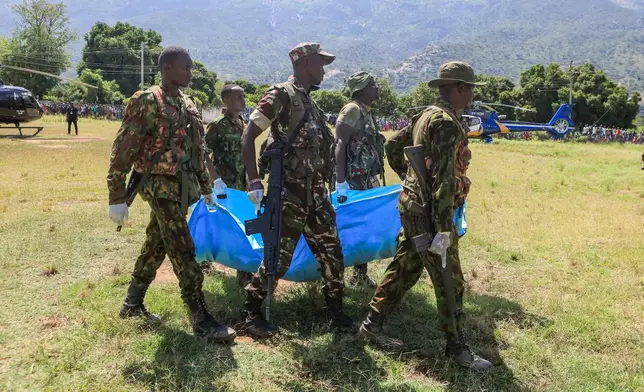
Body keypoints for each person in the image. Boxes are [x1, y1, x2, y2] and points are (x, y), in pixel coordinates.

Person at [357, 61, 493, 370]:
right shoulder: (445, 123)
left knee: (407, 266)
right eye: (470, 89)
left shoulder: (425, 115)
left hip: (413, 206)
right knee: (450, 279)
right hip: (431, 213)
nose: (471, 95)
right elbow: (444, 182)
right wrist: (443, 231)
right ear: (458, 88)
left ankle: (370, 325)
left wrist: (411, 180)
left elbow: (393, 146)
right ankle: (457, 349)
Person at [107, 46, 236, 343]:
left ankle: (132, 303)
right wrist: (116, 195)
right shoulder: (147, 101)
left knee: (157, 242)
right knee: (182, 248)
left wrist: (207, 187)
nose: (190, 72)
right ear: (167, 68)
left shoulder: (187, 103)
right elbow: (123, 148)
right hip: (159, 186)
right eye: (185, 67)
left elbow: (197, 150)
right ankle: (201, 317)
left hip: (182, 187)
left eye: (190, 68)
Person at [239, 42, 352, 337]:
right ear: (304, 64)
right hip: (288, 193)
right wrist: (253, 181)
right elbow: (248, 134)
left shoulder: (311, 103)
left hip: (316, 194)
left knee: (333, 252)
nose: (324, 71)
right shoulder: (280, 96)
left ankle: (335, 311)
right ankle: (251, 313)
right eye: (320, 64)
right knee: (278, 259)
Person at [334, 71, 385, 288]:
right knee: (349, 226)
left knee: (364, 226)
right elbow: (339, 144)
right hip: (352, 181)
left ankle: (359, 274)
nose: (377, 88)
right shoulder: (352, 109)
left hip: (365, 179)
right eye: (372, 84)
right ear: (362, 89)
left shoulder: (366, 112)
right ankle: (336, 276)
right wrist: (340, 181)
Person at [204, 84, 253, 287]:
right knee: (216, 224)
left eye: (243, 96)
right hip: (223, 186)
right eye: (238, 97)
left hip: (240, 186)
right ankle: (204, 260)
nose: (243, 100)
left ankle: (243, 272)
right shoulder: (217, 125)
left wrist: (251, 180)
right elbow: (203, 152)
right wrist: (215, 178)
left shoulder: (244, 124)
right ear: (226, 100)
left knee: (241, 226)